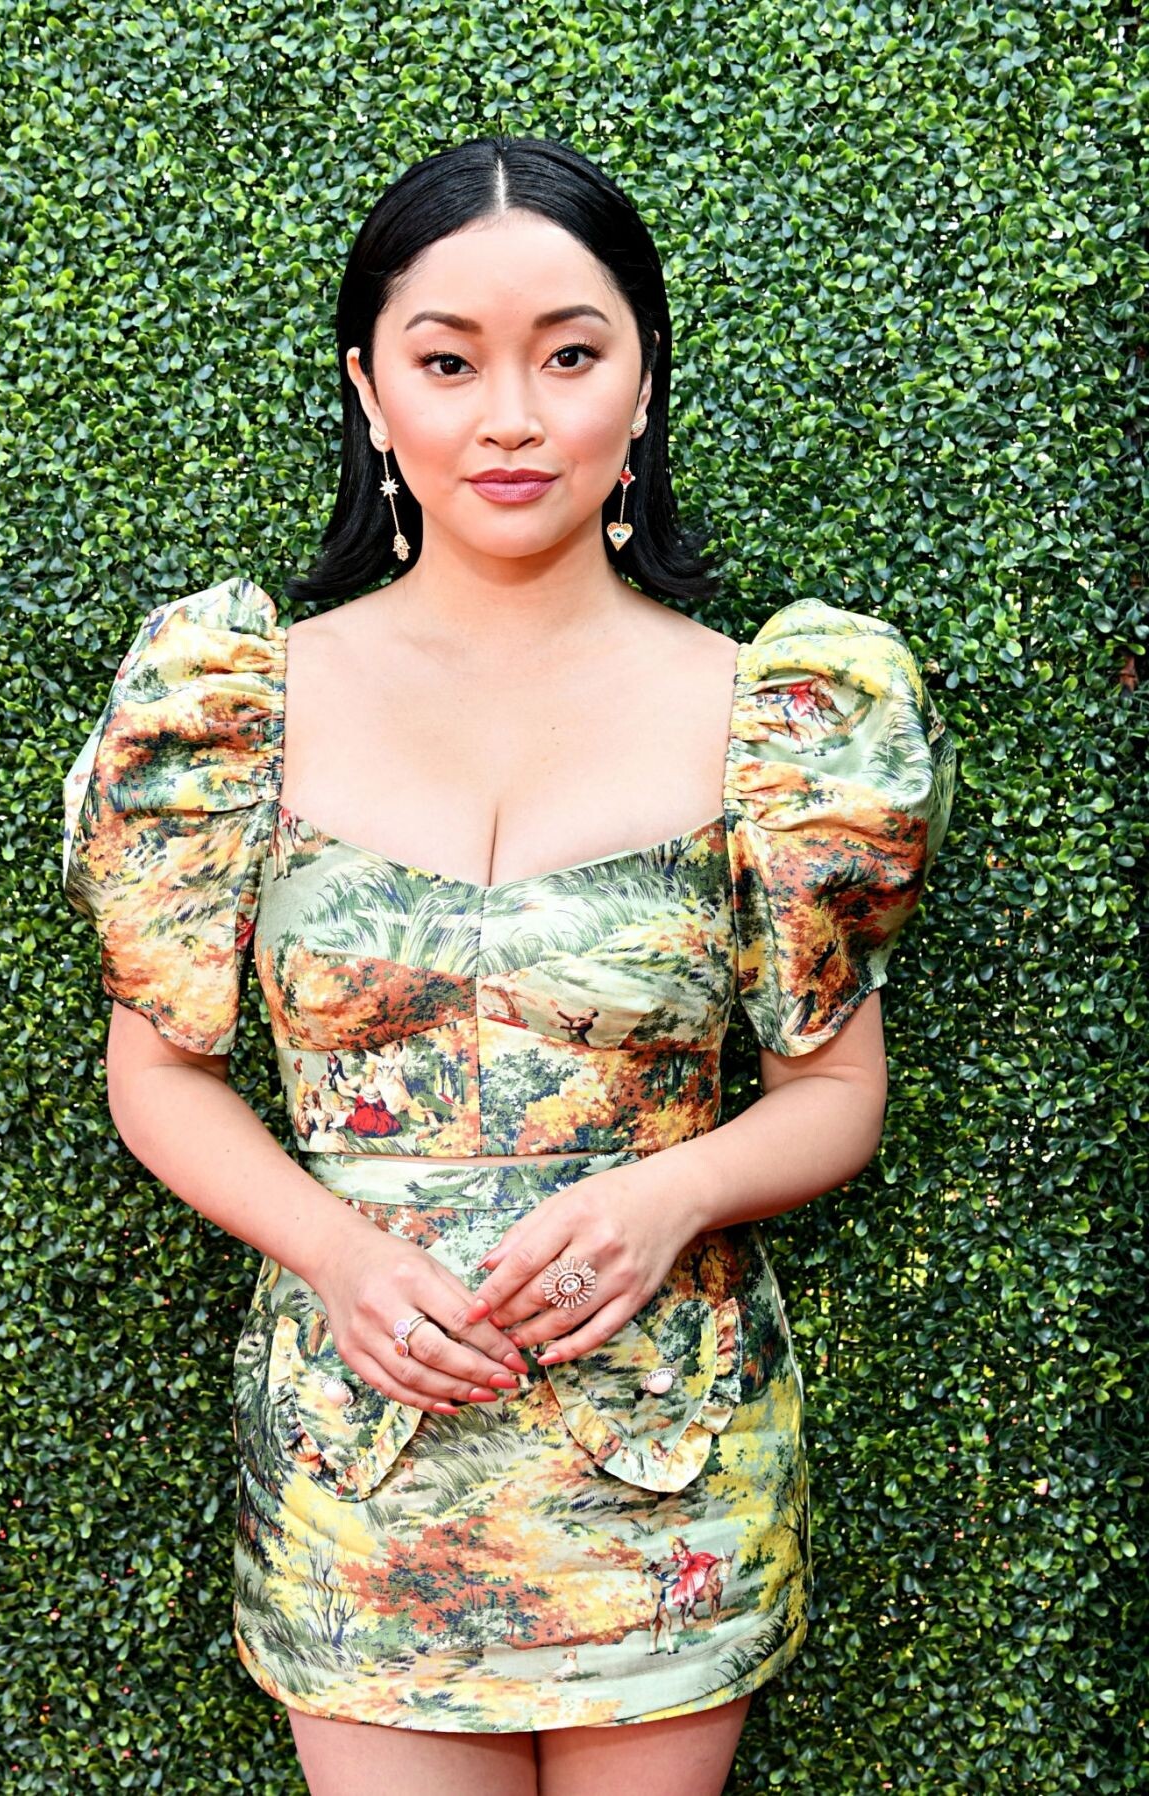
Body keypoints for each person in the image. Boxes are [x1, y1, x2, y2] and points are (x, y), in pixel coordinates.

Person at [61, 134, 955, 1796]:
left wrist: (673, 1195)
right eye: (450, 361)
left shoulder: (778, 718)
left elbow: (835, 1094)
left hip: (668, 1464)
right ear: (371, 391)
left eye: (570, 353)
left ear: (643, 380)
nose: (513, 417)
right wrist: (333, 1252)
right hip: (361, 1460)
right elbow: (158, 1073)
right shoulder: (238, 702)